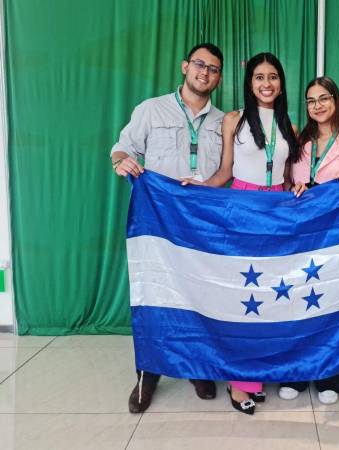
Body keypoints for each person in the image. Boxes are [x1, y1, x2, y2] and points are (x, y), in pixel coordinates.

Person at [110, 43, 225, 413]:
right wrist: (122, 162)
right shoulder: (151, 109)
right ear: (184, 67)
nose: (204, 73)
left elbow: (229, 173)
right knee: (155, 295)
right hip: (157, 222)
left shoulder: (224, 121)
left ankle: (196, 366)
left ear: (219, 78)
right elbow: (123, 148)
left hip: (202, 225)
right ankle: (148, 373)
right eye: (199, 65)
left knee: (199, 295)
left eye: (213, 69)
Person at [189, 52, 303, 414]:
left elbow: (289, 177)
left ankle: (260, 371)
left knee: (269, 297)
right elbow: (225, 171)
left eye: (272, 77)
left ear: (281, 82)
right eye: (258, 77)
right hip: (241, 209)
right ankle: (240, 384)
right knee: (243, 296)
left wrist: (296, 191)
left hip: (277, 212)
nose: (266, 83)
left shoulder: (290, 125)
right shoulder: (233, 121)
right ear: (249, 82)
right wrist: (195, 190)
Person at [276, 76, 339, 404]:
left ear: (336, 101)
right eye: (311, 100)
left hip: (336, 238)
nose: (318, 106)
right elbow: (285, 183)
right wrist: (292, 190)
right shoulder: (299, 142)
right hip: (299, 236)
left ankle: (331, 376)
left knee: (330, 305)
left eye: (324, 98)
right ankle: (297, 374)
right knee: (296, 303)